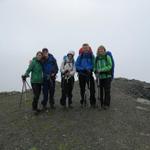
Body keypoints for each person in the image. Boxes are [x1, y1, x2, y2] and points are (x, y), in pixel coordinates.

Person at [76, 43, 96, 108]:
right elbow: (77, 65)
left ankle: (92, 102)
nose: (85, 49)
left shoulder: (92, 56)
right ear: (82, 48)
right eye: (84, 48)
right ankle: (82, 100)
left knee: (92, 88)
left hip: (89, 74)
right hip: (81, 74)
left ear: (88, 48)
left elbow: (94, 64)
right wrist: (84, 69)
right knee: (82, 88)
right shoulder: (80, 56)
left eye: (86, 48)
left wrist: (89, 68)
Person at [94, 45, 113, 110]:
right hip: (99, 77)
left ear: (104, 50)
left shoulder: (107, 57)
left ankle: (106, 104)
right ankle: (101, 103)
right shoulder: (97, 58)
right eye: (99, 50)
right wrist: (95, 70)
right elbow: (95, 66)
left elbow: (110, 66)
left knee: (107, 90)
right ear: (98, 51)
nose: (100, 51)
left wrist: (101, 69)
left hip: (107, 76)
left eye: (102, 49)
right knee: (100, 90)